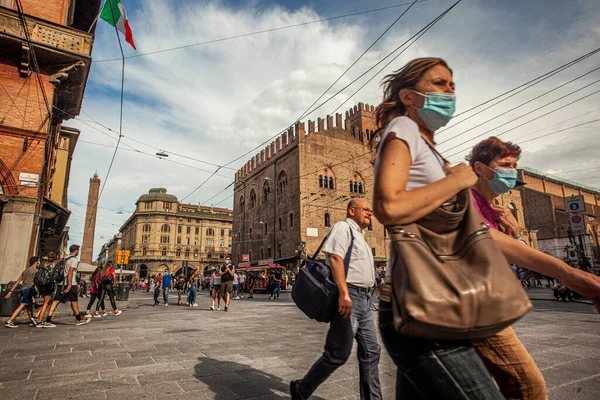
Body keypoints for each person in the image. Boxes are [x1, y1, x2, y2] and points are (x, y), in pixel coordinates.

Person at [372, 57, 600, 399]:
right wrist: (459, 180)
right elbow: (388, 206)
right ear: (408, 96)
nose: (449, 91)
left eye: (452, 85)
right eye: (438, 83)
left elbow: (480, 233)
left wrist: (570, 275)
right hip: (425, 303)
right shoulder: (404, 129)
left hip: (437, 300)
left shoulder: (430, 152)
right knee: (526, 388)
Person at [290, 199, 381, 400]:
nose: (370, 213)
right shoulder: (343, 227)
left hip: (365, 299)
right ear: (351, 211)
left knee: (371, 351)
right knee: (338, 354)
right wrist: (344, 294)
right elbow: (334, 258)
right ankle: (301, 389)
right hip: (351, 296)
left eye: (370, 210)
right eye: (365, 209)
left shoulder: (360, 235)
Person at [45, 244, 90, 326]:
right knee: (74, 301)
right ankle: (78, 319)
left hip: (61, 283)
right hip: (70, 283)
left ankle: (47, 320)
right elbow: (70, 272)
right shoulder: (74, 260)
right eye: (78, 250)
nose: (78, 252)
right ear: (76, 250)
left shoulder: (64, 259)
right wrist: (69, 284)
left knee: (55, 301)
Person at [4, 257, 41, 328]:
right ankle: (10, 320)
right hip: (29, 289)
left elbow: (17, 282)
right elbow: (38, 282)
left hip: (23, 289)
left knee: (29, 306)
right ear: (36, 262)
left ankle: (32, 319)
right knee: (23, 304)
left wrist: (11, 291)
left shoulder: (25, 271)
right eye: (38, 262)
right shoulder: (36, 271)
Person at [35, 253, 57, 327]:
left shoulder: (43, 265)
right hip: (48, 285)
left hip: (41, 285)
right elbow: (53, 277)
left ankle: (37, 316)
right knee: (46, 303)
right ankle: (39, 321)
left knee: (46, 302)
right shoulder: (52, 267)